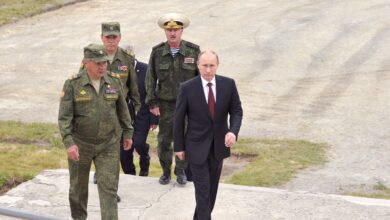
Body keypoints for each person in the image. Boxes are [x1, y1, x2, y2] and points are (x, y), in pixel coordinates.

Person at [58, 44, 133, 220]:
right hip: (80, 145)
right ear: (86, 63)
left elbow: (123, 110)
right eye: (98, 63)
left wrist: (128, 132)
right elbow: (64, 118)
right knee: (78, 189)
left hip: (108, 145)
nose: (102, 67)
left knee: (109, 188)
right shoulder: (73, 84)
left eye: (104, 63)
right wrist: (69, 143)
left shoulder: (114, 80)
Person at [173, 50, 243, 220]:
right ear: (198, 65)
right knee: (203, 190)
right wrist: (179, 147)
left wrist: (233, 131)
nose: (208, 70)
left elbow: (237, 111)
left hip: (218, 147)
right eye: (205, 65)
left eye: (212, 65)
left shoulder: (228, 85)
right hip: (195, 147)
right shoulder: (187, 88)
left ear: (217, 65)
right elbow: (178, 119)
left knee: (211, 192)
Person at [145, 13, 201, 185]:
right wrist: (152, 103)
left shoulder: (193, 51)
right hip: (165, 105)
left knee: (184, 139)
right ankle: (165, 172)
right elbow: (150, 78)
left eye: (176, 29)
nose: (172, 33)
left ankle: (181, 170)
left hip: (187, 105)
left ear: (181, 30)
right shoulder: (157, 52)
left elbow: (199, 78)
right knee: (163, 141)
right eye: (169, 30)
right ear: (165, 32)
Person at [120, 46, 159, 176]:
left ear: (133, 56)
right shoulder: (118, 71)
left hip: (143, 115)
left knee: (138, 143)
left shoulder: (146, 69)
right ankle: (130, 173)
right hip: (124, 118)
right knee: (124, 150)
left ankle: (145, 161)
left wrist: (154, 119)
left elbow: (153, 94)